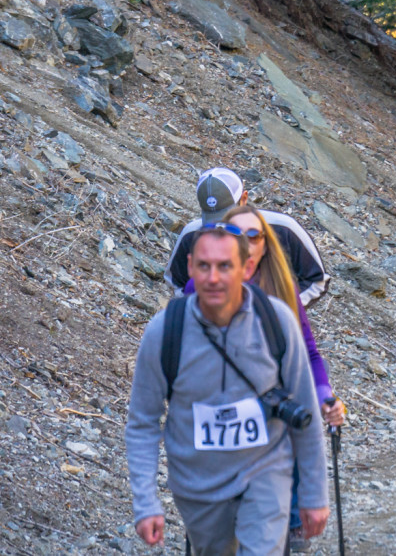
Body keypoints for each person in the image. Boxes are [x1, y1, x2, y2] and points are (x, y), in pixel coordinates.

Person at [126, 223, 329, 554]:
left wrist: (314, 494)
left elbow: (305, 410)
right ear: (190, 266)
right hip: (197, 488)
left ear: (247, 268)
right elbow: (142, 423)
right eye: (204, 266)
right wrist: (146, 503)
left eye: (225, 266)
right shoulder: (165, 331)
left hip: (265, 474)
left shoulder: (276, 321)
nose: (213, 277)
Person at [181, 205, 346, 552]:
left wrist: (324, 396)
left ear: (265, 245)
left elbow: (309, 354)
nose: (244, 242)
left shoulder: (283, 289)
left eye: (253, 235)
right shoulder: (197, 287)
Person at [165, 168, 330, 308]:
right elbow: (177, 280)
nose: (220, 228)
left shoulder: (283, 229)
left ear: (244, 199)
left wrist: (283, 310)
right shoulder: (192, 234)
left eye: (227, 217)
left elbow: (317, 280)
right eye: (212, 220)